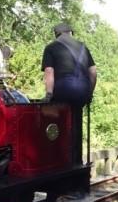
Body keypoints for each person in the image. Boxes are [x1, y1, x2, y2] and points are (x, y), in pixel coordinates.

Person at [41, 22, 97, 164]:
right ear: (70, 32)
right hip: (82, 91)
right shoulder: (83, 47)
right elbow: (93, 72)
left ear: (56, 34)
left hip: (63, 90)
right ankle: (76, 160)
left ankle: (60, 160)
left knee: (57, 123)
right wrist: (89, 92)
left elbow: (49, 72)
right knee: (76, 121)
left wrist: (48, 95)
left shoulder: (51, 47)